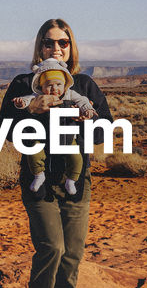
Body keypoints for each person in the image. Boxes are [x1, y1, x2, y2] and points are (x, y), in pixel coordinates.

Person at [0, 19, 112, 288]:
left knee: (73, 253)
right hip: (39, 180)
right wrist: (30, 110)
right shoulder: (24, 84)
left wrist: (87, 121)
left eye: (63, 43)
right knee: (52, 247)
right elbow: (6, 129)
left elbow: (105, 128)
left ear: (71, 47)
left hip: (76, 180)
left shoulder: (84, 85)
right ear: (39, 47)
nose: (56, 49)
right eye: (49, 43)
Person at [11, 58, 96, 196]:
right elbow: (27, 100)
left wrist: (88, 110)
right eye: (49, 85)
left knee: (76, 158)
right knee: (34, 151)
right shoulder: (38, 96)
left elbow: (83, 100)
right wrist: (21, 104)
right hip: (43, 137)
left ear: (65, 84)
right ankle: (39, 175)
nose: (54, 88)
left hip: (67, 136)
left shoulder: (70, 94)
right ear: (41, 86)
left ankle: (71, 180)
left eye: (58, 84)